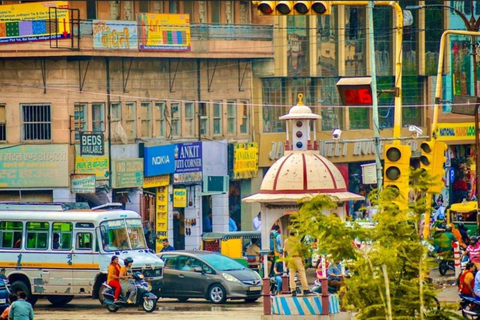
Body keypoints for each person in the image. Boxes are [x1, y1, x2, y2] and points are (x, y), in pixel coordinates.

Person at [283, 230, 309, 296]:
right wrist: (302, 259)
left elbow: (285, 252)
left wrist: (285, 261)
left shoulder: (286, 241)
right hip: (297, 257)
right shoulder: (297, 240)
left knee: (291, 274)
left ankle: (293, 290)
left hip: (290, 258)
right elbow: (300, 250)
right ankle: (305, 289)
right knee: (302, 272)